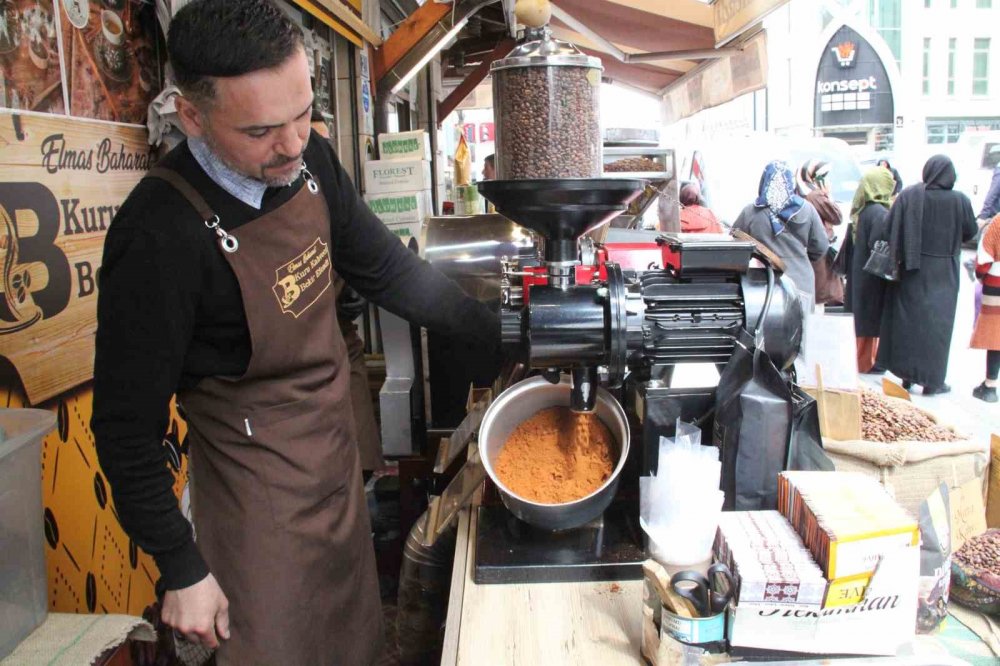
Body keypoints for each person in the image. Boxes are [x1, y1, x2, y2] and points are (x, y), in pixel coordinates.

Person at [91, 2, 498, 664]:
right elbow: (124, 430)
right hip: (255, 509)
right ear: (191, 116)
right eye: (260, 131)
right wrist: (182, 567)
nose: (291, 144)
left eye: (303, 114)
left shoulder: (312, 165)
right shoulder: (157, 234)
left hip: (333, 475)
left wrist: (504, 332)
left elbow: (389, 271)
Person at [311, 109, 384, 475]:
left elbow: (387, 265)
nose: (316, 153)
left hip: (343, 348)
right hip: (300, 374)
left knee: (358, 464)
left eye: (324, 144)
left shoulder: (336, 195)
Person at [877, 155, 978, 395]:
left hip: (913, 269)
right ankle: (932, 381)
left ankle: (907, 375)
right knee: (937, 329)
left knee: (909, 324)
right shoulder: (960, 200)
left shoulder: (910, 196)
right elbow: (971, 232)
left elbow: (887, 227)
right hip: (945, 273)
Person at [732, 161, 830, 303]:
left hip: (764, 283)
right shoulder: (807, 209)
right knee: (802, 317)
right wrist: (801, 256)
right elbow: (821, 246)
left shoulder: (751, 212)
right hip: (801, 281)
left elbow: (735, 246)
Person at [845, 168, 896, 373]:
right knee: (870, 320)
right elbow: (879, 244)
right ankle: (867, 362)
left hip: (858, 272)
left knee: (859, 317)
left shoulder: (862, 211)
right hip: (872, 277)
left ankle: (857, 359)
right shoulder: (880, 213)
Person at [796, 160, 844, 305]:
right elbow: (837, 216)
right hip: (820, 249)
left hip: (811, 248)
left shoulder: (800, 193)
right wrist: (828, 196)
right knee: (824, 293)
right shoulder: (815, 196)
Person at [970, 214, 1000, 402]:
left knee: (996, 335)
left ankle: (990, 385)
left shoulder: (998, 222)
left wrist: (980, 276)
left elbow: (984, 260)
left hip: (997, 283)